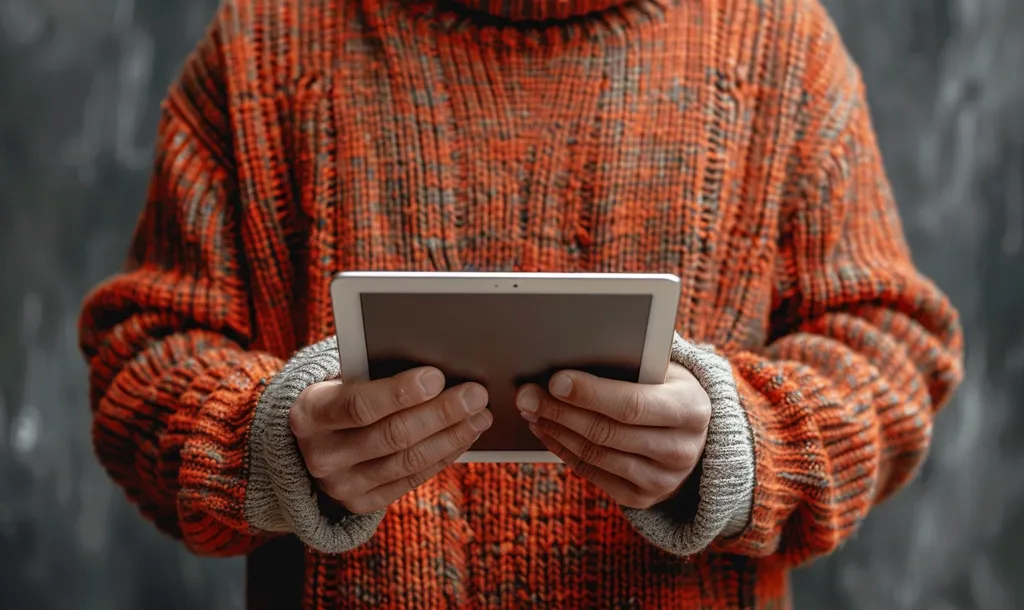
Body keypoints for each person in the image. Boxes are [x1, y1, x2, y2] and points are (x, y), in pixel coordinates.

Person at [78, 0, 964, 607]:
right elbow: (142, 360)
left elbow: (891, 349)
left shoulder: (780, 45)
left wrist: (743, 443)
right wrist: (268, 446)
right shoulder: (264, 45)